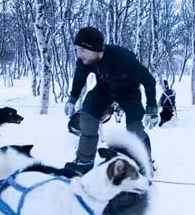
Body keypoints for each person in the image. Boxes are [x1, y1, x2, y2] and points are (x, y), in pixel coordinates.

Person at [64, 26, 159, 173]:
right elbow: (79, 77)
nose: (78, 54)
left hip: (129, 91)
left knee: (135, 129)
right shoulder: (85, 61)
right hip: (104, 88)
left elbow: (149, 81)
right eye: (76, 49)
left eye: (82, 50)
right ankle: (84, 161)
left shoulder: (124, 59)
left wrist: (152, 108)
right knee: (88, 115)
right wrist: (72, 98)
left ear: (95, 49)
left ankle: (145, 163)